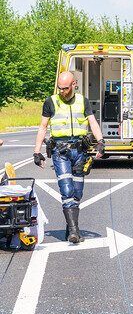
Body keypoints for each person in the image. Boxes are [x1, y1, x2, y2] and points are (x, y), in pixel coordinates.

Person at [33, 71, 105, 244]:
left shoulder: (83, 101)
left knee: (77, 192)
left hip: (80, 151)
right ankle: (73, 231)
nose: (62, 91)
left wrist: (101, 141)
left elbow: (93, 122)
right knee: (66, 190)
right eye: (60, 88)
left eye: (65, 88)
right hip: (60, 152)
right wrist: (37, 152)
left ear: (74, 85)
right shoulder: (51, 101)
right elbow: (43, 127)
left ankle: (71, 225)